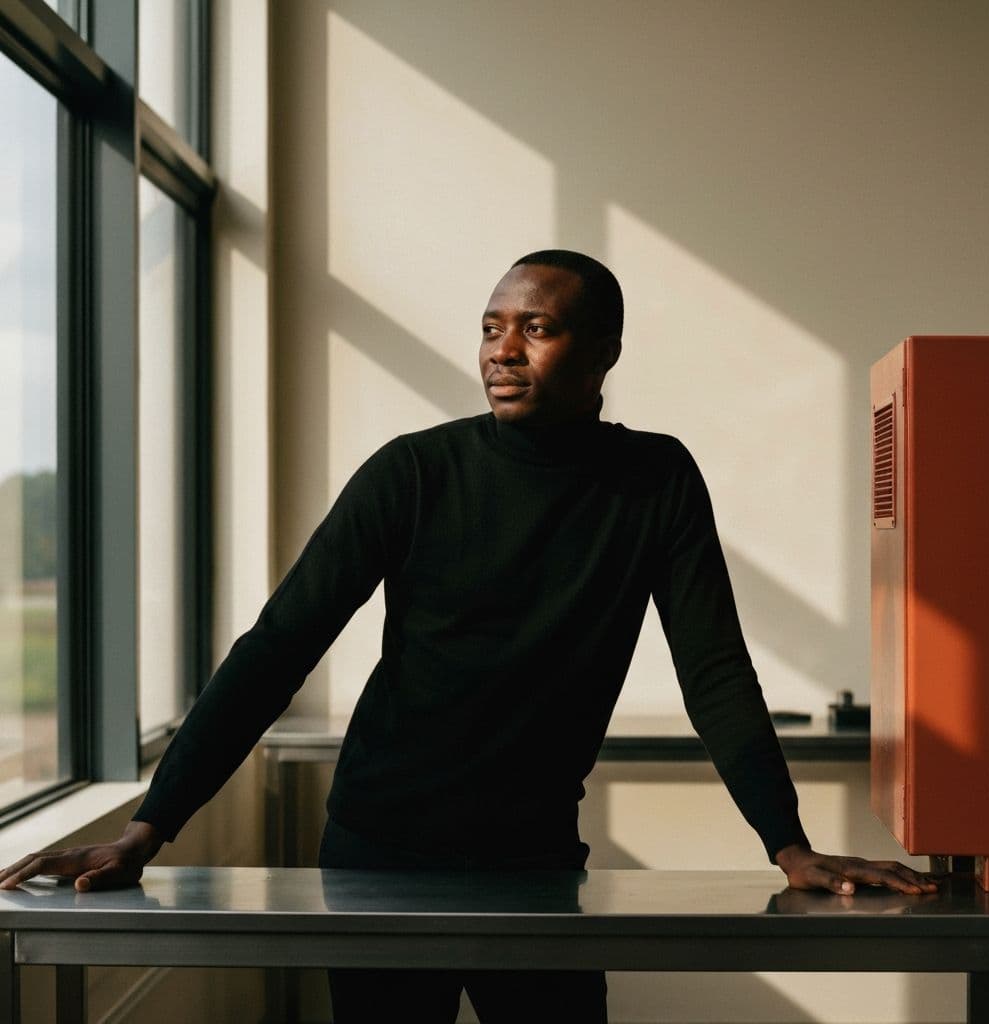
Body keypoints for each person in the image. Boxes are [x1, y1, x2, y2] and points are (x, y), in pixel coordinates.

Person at [1, 251, 937, 1022]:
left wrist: (789, 844)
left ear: (604, 352)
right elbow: (276, 648)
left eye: (537, 327)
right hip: (377, 858)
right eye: (492, 326)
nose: (503, 350)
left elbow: (716, 672)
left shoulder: (656, 480)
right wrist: (144, 831)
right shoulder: (412, 474)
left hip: (534, 864)